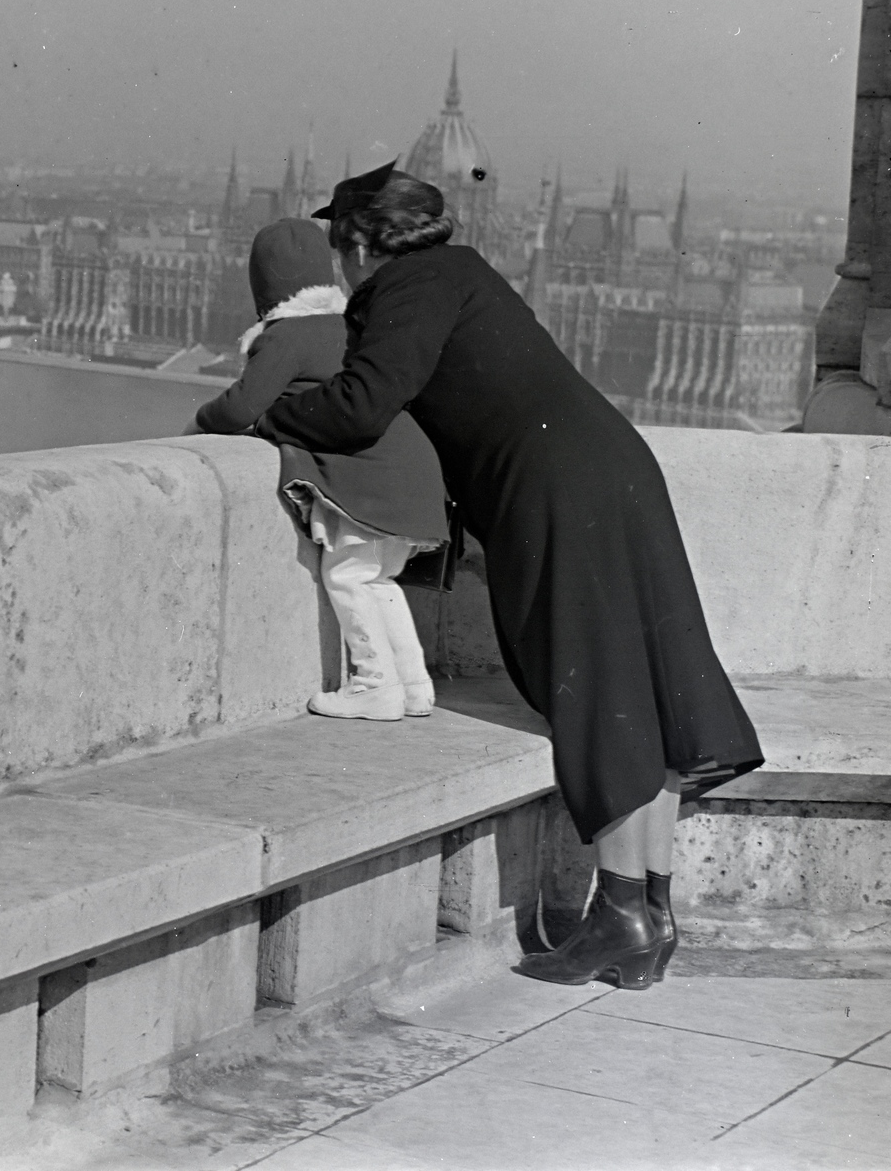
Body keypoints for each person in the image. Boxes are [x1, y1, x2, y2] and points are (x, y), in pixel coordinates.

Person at [255, 163, 764, 989]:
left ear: (360, 243)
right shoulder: (465, 271)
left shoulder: (406, 288)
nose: (342, 270)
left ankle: (622, 916)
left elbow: (360, 405)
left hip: (559, 488)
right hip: (612, 468)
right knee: (644, 695)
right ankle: (649, 916)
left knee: (602, 699)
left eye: (342, 251)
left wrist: (264, 418)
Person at [191, 217, 449, 720]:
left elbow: (240, 408)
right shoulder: (350, 326)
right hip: (416, 473)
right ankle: (415, 687)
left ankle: (375, 684)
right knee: (379, 581)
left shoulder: (286, 336)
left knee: (349, 576)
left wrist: (199, 420)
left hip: (376, 483)